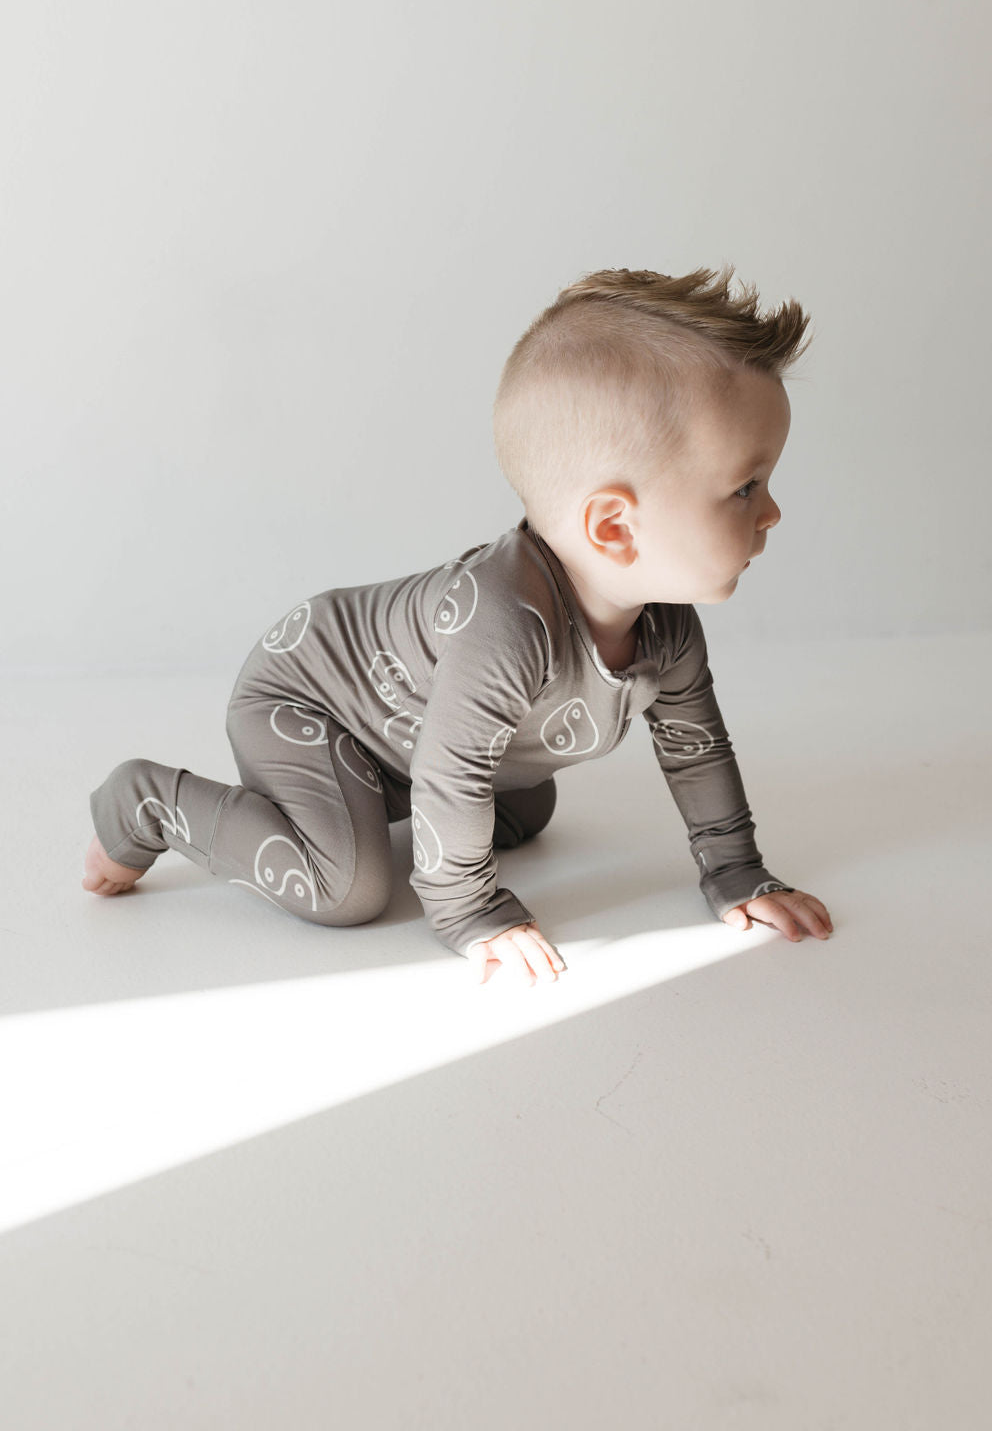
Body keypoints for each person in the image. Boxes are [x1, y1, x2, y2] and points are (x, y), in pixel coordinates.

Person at [83, 264, 834, 986]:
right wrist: (472, 909)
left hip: (413, 738)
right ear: (614, 527)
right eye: (745, 487)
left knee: (528, 802)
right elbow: (453, 772)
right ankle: (145, 801)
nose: (772, 512)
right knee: (346, 886)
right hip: (304, 697)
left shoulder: (664, 627)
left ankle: (369, 798)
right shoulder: (507, 625)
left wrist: (736, 873)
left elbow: (696, 751)